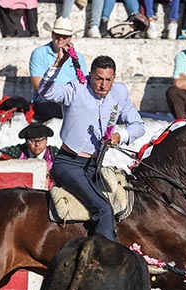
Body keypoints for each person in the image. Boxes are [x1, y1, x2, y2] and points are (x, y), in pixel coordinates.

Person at [38, 55, 145, 240]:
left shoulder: (119, 92)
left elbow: (138, 125)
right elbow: (45, 91)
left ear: (114, 78)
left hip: (95, 166)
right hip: (68, 163)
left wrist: (121, 136)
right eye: (99, 79)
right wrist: (58, 65)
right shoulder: (76, 88)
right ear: (90, 76)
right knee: (103, 208)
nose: (103, 85)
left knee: (123, 203)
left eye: (108, 80)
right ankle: (103, 259)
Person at [29, 17, 87, 121]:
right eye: (58, 35)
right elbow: (38, 86)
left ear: (70, 38)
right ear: (52, 34)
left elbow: (84, 83)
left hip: (71, 100)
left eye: (65, 36)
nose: (61, 38)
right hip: (47, 101)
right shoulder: (39, 53)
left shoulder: (79, 57)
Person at [0, 122, 59, 187]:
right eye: (32, 141)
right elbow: (2, 152)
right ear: (27, 142)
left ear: (46, 141)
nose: (37, 145)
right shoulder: (19, 151)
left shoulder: (54, 153)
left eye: (41, 140)